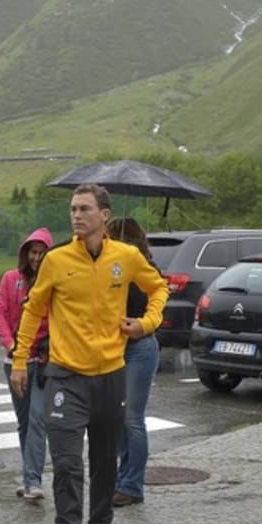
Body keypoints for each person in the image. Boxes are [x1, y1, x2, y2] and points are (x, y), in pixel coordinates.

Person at [10, 185, 168, 524]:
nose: (76, 216)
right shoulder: (57, 259)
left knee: (103, 464)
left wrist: (146, 324)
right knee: (66, 465)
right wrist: (19, 359)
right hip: (66, 376)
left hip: (111, 374)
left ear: (104, 214)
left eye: (84, 209)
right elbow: (33, 309)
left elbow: (159, 288)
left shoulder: (126, 257)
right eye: (72, 209)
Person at [0, 227, 54, 500]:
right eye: (33, 252)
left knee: (38, 419)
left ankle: (33, 480)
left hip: (42, 361)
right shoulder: (10, 279)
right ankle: (30, 474)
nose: (37, 258)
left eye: (42, 253)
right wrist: (11, 345)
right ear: (25, 253)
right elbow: (1, 313)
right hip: (15, 361)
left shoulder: (54, 283)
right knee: (24, 423)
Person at [106, 217, 161, 508]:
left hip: (139, 346)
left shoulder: (144, 269)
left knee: (132, 418)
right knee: (117, 418)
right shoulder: (108, 266)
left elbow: (157, 301)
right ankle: (122, 478)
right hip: (114, 347)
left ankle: (132, 484)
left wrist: (142, 323)